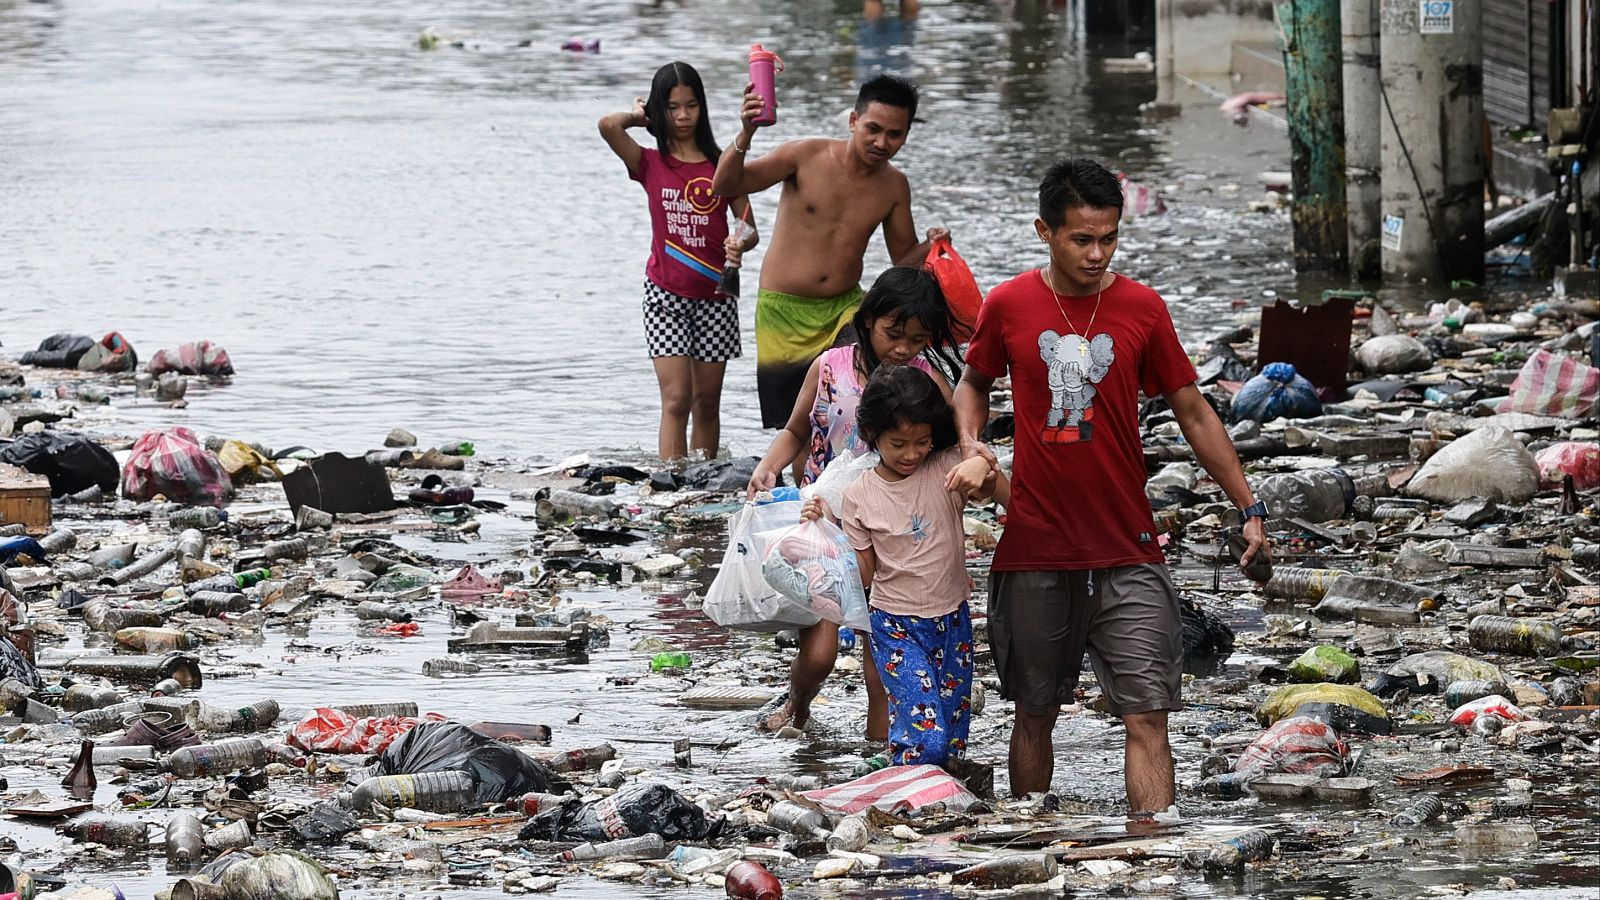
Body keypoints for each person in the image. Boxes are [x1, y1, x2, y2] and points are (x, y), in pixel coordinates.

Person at [950, 158, 1272, 817]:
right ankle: (1033, 847)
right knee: (1035, 713)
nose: (1097, 254)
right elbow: (973, 384)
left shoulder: (1142, 309)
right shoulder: (1008, 305)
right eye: (1081, 239)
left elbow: (1194, 411)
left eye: (1109, 238)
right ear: (1045, 231)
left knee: (1148, 714)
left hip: (1129, 544)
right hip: (1036, 545)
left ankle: (1153, 862)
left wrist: (1250, 506)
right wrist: (971, 445)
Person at [746, 266, 965, 738]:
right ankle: (798, 704)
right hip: (826, 526)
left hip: (893, 536)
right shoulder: (830, 367)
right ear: (868, 320)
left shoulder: (925, 380)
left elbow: (953, 442)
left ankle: (881, 751)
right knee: (821, 653)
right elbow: (796, 429)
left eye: (918, 339)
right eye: (894, 334)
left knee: (881, 658)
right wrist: (768, 466)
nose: (904, 349)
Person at [711, 72, 948, 448]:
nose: (882, 142)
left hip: (845, 308)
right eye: (873, 128)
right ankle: (809, 501)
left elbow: (902, 259)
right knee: (796, 422)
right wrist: (746, 132)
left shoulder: (894, 185)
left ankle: (858, 484)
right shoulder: (803, 155)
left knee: (856, 396)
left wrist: (933, 245)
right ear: (854, 121)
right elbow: (725, 186)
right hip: (783, 310)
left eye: (895, 134)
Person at [805, 366, 1004, 771]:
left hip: (953, 621)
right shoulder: (859, 494)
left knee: (950, 738)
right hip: (895, 627)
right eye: (899, 444)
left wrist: (982, 465)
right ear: (873, 437)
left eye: (921, 442)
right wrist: (824, 529)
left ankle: (934, 811)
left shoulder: (947, 468)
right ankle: (909, 795)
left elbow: (1002, 494)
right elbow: (863, 574)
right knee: (923, 737)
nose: (912, 454)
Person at [599, 61, 759, 461]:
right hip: (664, 296)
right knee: (676, 399)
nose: (683, 116)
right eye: (672, 107)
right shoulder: (649, 163)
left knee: (706, 402)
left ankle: (702, 481)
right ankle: (671, 481)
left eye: (691, 105)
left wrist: (740, 243)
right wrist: (638, 117)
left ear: (702, 108)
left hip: (717, 297)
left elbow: (748, 225)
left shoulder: (721, 163)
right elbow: (607, 126)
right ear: (660, 110)